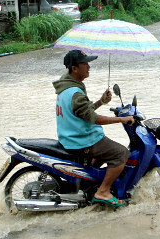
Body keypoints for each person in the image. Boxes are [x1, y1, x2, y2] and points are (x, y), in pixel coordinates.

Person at [52, 50, 134, 207]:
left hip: (71, 137)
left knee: (107, 150)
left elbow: (82, 112)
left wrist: (101, 101)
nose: (89, 67)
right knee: (121, 154)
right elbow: (94, 118)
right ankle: (102, 192)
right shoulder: (75, 92)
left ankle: (86, 181)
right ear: (74, 68)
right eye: (85, 64)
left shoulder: (67, 87)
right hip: (82, 140)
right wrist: (122, 119)